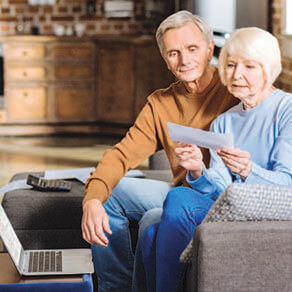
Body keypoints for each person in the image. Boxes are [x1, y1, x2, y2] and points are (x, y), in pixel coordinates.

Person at [81, 10, 238, 292]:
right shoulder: (160, 103)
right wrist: (91, 200)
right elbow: (121, 154)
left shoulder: (235, 89)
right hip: (180, 192)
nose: (185, 60)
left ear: (209, 49)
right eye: (174, 53)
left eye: (192, 49)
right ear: (165, 59)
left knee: (153, 221)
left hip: (221, 196)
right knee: (107, 193)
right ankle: (116, 287)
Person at [141, 26, 292, 292]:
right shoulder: (224, 121)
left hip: (269, 211)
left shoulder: (286, 110)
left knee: (177, 198)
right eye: (231, 65)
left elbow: (287, 183)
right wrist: (198, 169)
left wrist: (248, 170)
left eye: (249, 67)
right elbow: (220, 187)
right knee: (151, 231)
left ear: (268, 68)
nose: (237, 75)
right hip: (230, 208)